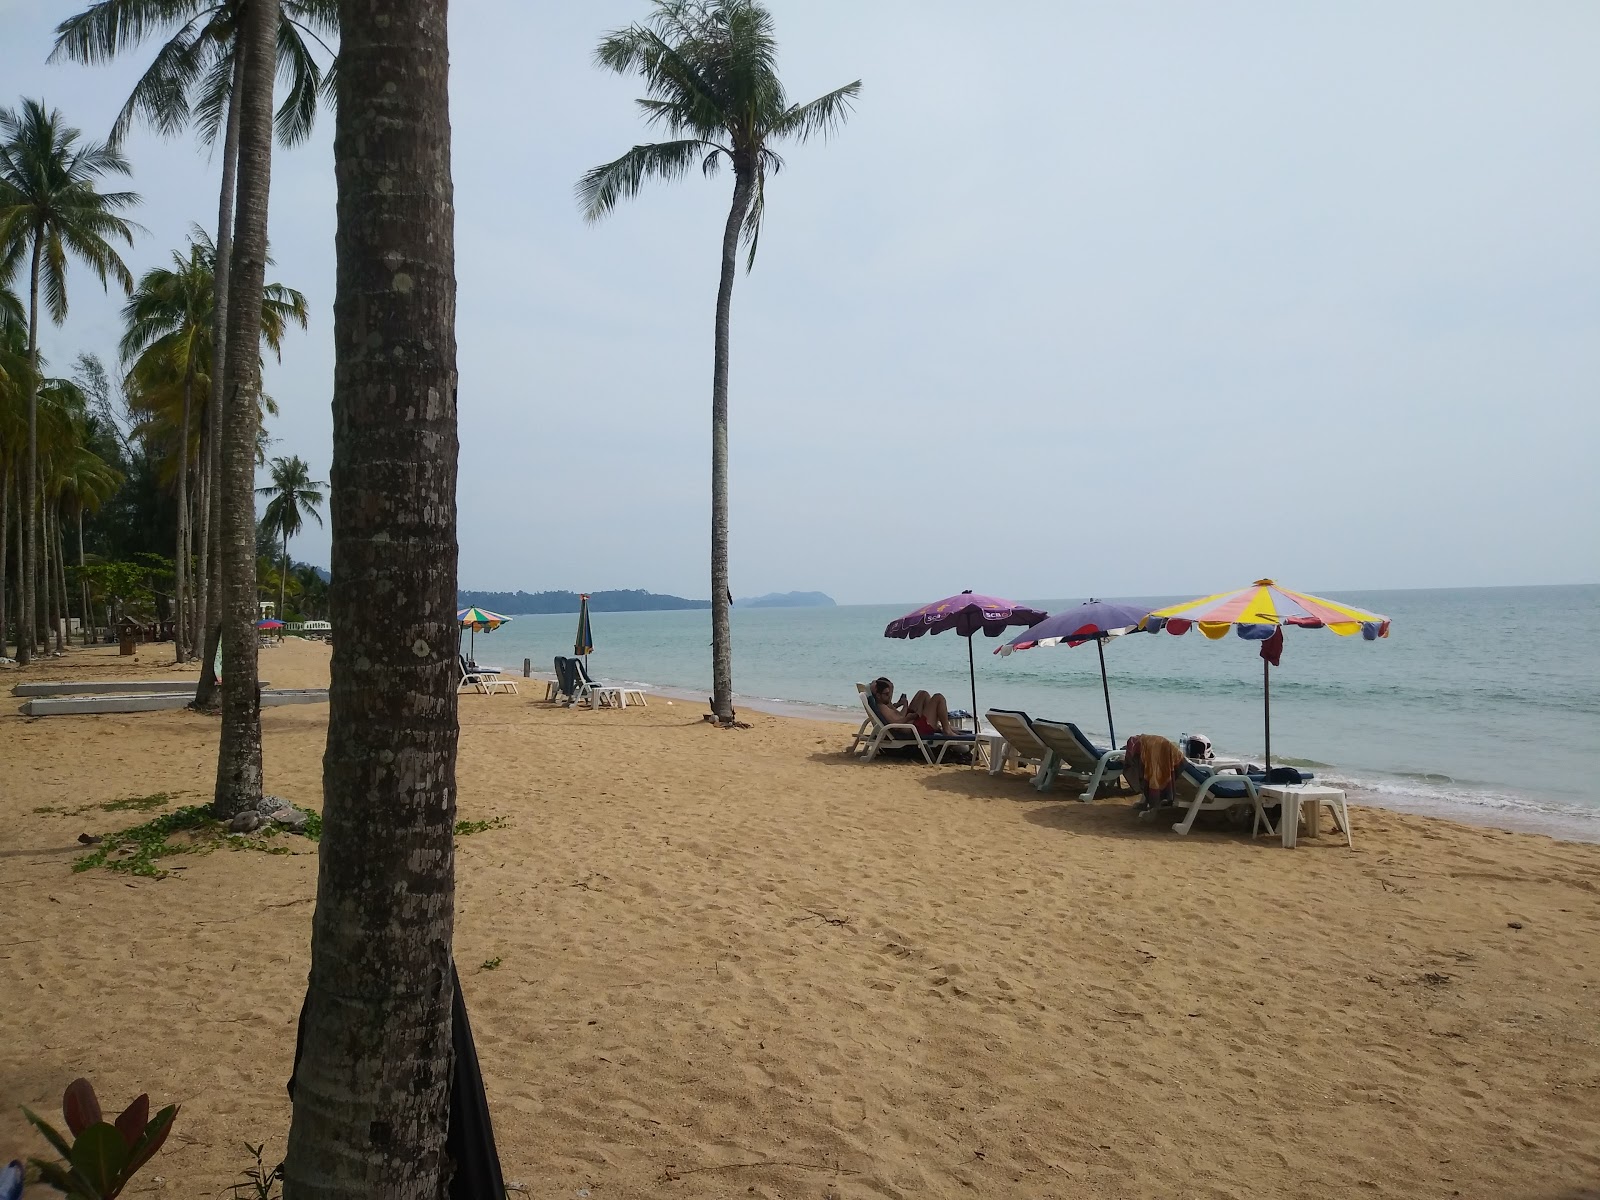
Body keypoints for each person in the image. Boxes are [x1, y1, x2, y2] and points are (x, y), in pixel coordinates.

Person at [869, 677, 961, 737]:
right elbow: (895, 726)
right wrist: (909, 717)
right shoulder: (882, 707)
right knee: (938, 698)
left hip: (912, 724)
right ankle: (946, 730)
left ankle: (936, 724)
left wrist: (903, 705)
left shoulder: (884, 704)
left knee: (923, 694)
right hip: (917, 728)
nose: (889, 696)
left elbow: (897, 717)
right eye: (886, 694)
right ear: (878, 695)